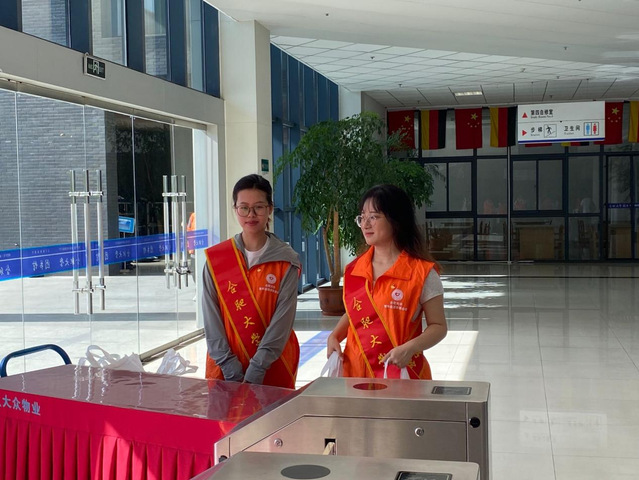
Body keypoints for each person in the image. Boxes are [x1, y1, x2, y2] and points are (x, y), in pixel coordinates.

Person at [326, 184, 447, 379]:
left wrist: (411, 348)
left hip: (401, 374)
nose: (365, 224)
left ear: (396, 220)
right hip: (356, 374)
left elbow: (439, 326)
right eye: (362, 217)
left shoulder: (422, 273)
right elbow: (356, 312)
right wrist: (335, 335)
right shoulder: (354, 270)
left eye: (373, 217)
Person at [202, 174, 301, 388]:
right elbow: (211, 318)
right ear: (235, 209)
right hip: (223, 368)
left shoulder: (286, 261)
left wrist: (258, 368)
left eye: (258, 207)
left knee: (273, 411)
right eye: (244, 208)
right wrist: (228, 365)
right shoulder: (217, 260)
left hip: (273, 365)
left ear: (270, 209)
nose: (251, 215)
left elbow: (282, 322)